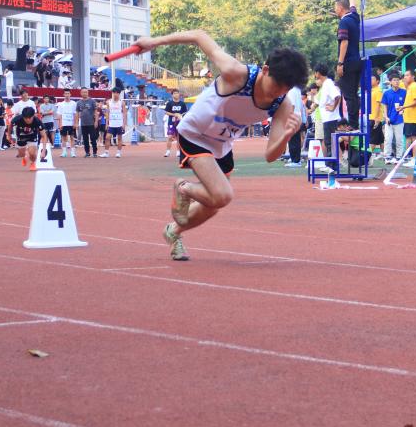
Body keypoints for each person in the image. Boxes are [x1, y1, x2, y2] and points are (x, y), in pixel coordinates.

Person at [130, 30, 306, 262]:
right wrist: (153, 42)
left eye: (286, 88)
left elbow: (270, 155)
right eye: (277, 85)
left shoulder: (281, 104)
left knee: (212, 204)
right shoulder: (236, 73)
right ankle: (183, 188)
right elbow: (199, 36)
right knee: (222, 195)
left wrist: (287, 135)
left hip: (222, 144)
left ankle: (174, 231)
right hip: (195, 134)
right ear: (265, 70)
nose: (279, 92)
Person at [333, 0, 362, 128]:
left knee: (349, 95)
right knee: (353, 94)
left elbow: (344, 42)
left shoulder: (344, 22)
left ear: (340, 8)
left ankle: (353, 124)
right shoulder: (355, 18)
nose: (335, 10)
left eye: (336, 7)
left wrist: (340, 63)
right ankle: (354, 123)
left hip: (348, 62)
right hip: (357, 61)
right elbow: (353, 8)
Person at [313, 65, 342, 168]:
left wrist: (333, 108)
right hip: (327, 118)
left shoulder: (328, 84)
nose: (315, 75)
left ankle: (331, 166)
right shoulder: (325, 84)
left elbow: (337, 96)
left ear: (318, 73)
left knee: (329, 143)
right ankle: (331, 165)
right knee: (329, 142)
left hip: (330, 118)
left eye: (315, 72)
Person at [380, 73, 406, 163]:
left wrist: (403, 110)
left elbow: (406, 105)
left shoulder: (404, 92)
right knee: (388, 139)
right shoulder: (386, 93)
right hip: (389, 120)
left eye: (398, 80)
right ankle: (387, 157)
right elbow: (385, 106)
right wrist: (386, 117)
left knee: (399, 140)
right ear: (390, 82)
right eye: (394, 80)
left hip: (399, 119)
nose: (396, 82)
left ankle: (399, 157)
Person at [162, 89, 188, 159]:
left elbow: (185, 113)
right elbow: (166, 112)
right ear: (172, 95)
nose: (176, 94)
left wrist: (180, 115)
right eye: (175, 93)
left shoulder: (182, 104)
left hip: (179, 123)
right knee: (170, 136)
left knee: (178, 137)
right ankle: (168, 151)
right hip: (171, 122)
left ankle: (178, 151)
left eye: (177, 93)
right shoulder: (169, 103)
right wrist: (174, 114)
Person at [76, 88, 99, 158]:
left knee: (93, 138)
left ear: (88, 93)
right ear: (81, 93)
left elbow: (96, 112)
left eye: (86, 92)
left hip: (91, 123)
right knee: (85, 139)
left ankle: (95, 152)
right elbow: (77, 113)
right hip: (83, 124)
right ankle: (87, 152)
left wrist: (96, 121)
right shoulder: (79, 102)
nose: (84, 93)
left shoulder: (92, 101)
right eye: (83, 92)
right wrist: (76, 123)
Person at [56, 89, 78, 157]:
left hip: (71, 123)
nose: (67, 95)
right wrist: (60, 124)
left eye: (68, 93)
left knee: (72, 138)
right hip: (64, 123)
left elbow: (75, 114)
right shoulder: (61, 104)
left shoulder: (74, 103)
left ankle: (73, 152)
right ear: (63, 95)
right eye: (66, 93)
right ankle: (64, 152)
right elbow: (59, 115)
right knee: (63, 138)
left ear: (70, 94)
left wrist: (75, 123)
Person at [105, 88, 126, 158]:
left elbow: (124, 113)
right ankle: (106, 153)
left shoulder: (122, 102)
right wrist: (107, 123)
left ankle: (118, 153)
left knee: (119, 138)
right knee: (107, 137)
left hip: (119, 123)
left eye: (117, 93)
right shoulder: (108, 102)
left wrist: (124, 124)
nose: (115, 94)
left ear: (119, 94)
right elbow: (107, 113)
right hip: (111, 123)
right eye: (114, 93)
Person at [368, 74, 384, 160]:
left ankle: (367, 157)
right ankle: (384, 153)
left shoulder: (378, 91)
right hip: (371, 116)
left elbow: (378, 105)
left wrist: (376, 118)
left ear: (377, 81)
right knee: (380, 137)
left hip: (374, 118)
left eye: (372, 79)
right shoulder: (371, 90)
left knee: (373, 139)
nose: (370, 80)